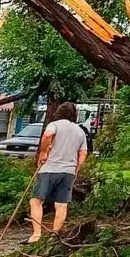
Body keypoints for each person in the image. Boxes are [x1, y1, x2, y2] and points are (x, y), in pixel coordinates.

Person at [27, 102, 88, 243]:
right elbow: (83, 153)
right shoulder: (79, 131)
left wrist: (43, 153)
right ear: (74, 115)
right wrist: (76, 169)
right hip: (69, 171)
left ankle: (36, 235)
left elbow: (47, 135)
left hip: (50, 168)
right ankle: (55, 236)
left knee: (36, 201)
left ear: (58, 112)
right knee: (61, 204)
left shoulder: (54, 125)